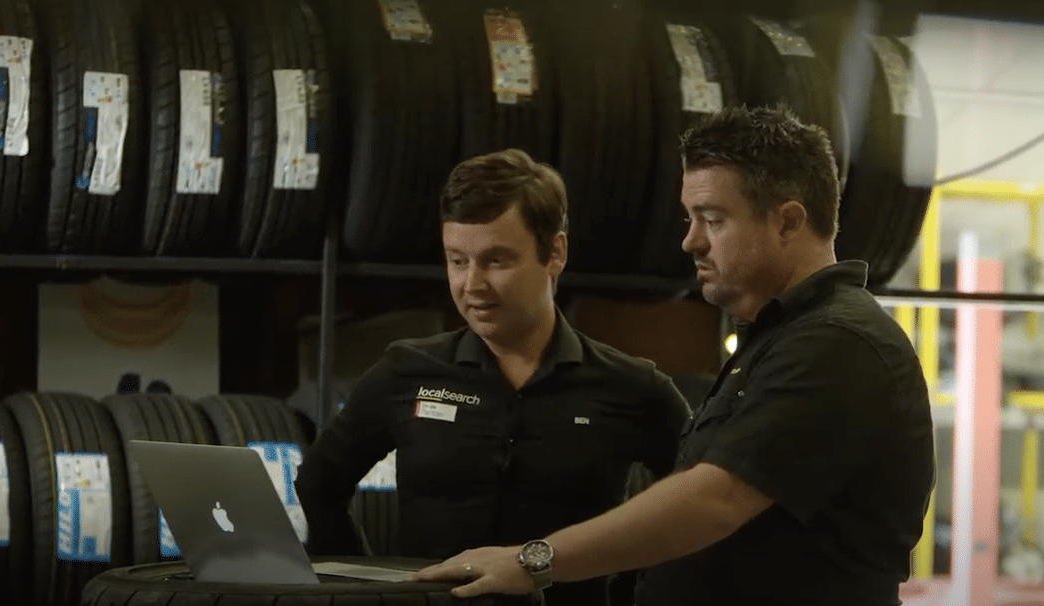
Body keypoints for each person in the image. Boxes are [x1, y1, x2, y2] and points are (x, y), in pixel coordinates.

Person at [412, 105, 936, 606]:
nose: (690, 242)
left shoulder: (838, 344)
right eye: (690, 218)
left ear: (788, 222)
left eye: (712, 220)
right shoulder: (779, 338)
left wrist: (532, 562)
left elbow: (716, 500)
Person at [293, 148, 693, 606]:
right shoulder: (405, 372)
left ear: (555, 252)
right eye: (457, 260)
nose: (472, 285)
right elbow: (318, 484)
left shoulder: (633, 388)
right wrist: (369, 591)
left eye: (497, 261)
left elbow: (694, 509)